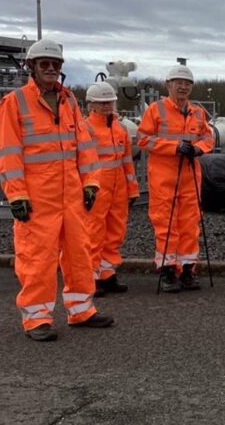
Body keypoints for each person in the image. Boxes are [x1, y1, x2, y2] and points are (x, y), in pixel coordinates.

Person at [0, 38, 114, 341]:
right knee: (37, 257)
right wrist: (16, 193)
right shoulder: (15, 103)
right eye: (44, 63)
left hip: (71, 194)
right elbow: (8, 152)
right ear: (31, 67)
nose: (50, 68)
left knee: (79, 253)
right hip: (36, 197)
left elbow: (85, 148)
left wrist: (90, 182)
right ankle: (36, 319)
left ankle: (81, 309)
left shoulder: (69, 101)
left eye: (55, 64)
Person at [137, 65, 214, 293]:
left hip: (190, 175)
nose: (183, 86)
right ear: (168, 84)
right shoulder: (155, 109)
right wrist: (174, 147)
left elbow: (208, 137)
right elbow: (143, 139)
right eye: (178, 82)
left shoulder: (198, 112)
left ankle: (188, 268)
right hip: (163, 177)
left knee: (190, 223)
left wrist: (198, 149)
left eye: (187, 83)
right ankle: (168, 269)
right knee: (165, 223)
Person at [83, 81, 140, 296]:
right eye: (102, 103)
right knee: (93, 232)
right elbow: (81, 161)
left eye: (110, 102)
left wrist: (132, 189)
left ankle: (106, 274)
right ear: (92, 105)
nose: (107, 106)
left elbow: (127, 162)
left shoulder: (120, 128)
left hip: (118, 188)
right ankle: (90, 277)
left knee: (115, 232)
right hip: (96, 187)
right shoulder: (86, 128)